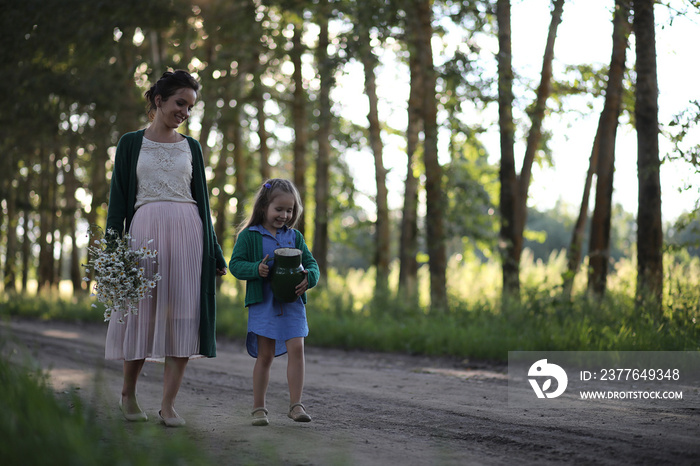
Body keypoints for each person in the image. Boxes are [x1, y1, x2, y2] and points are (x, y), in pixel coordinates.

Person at [104, 69, 227, 427]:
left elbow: (202, 202)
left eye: (190, 107)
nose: (185, 112)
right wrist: (114, 252)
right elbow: (117, 204)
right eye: (180, 103)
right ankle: (128, 394)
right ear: (158, 100)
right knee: (141, 316)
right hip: (145, 236)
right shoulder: (130, 143)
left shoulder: (192, 147)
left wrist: (215, 251)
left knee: (184, 320)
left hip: (189, 235)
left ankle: (168, 404)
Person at [228, 179, 320, 426]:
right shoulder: (249, 236)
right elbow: (235, 265)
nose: (284, 215)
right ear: (264, 207)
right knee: (265, 355)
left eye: (289, 210)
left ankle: (296, 405)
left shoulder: (295, 237)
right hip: (264, 303)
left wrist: (309, 279)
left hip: (293, 304)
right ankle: (259, 408)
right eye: (279, 209)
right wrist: (256, 269)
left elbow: (312, 265)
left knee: (297, 349)